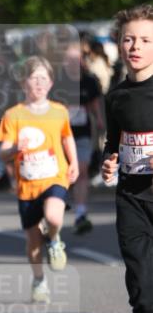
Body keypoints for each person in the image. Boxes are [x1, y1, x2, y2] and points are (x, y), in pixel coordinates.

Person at [102, 4, 153, 313]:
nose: (135, 45)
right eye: (129, 38)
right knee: (141, 293)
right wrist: (109, 163)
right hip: (132, 199)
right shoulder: (117, 95)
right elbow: (112, 143)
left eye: (145, 40)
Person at [0, 56, 78, 304]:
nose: (40, 83)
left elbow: (67, 138)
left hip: (55, 176)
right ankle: (39, 280)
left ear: (51, 83)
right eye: (35, 78)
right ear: (24, 83)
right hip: (28, 185)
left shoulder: (59, 111)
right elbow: (3, 152)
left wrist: (73, 161)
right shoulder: (13, 115)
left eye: (44, 78)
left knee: (54, 217)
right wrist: (13, 150)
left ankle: (54, 239)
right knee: (33, 242)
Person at [64, 43, 104, 234]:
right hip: (61, 136)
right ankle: (58, 204)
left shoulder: (89, 81)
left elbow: (94, 103)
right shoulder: (58, 81)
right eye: (70, 59)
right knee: (65, 174)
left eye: (76, 58)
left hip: (82, 134)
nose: (74, 62)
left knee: (82, 170)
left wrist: (99, 120)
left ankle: (80, 211)